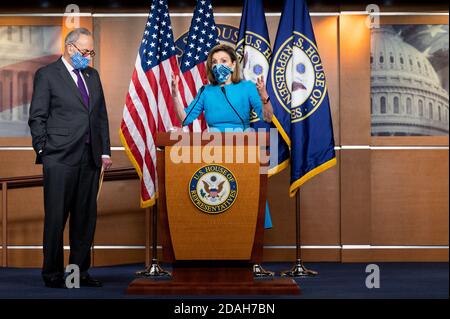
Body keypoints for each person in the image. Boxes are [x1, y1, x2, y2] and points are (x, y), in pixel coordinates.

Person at [28, 28, 112, 288]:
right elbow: (37, 116)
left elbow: (100, 116)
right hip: (59, 158)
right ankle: (52, 274)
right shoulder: (47, 74)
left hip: (89, 158)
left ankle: (79, 273)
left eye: (91, 52)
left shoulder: (92, 75)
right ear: (70, 48)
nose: (88, 57)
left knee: (85, 219)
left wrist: (105, 150)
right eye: (85, 52)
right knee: (56, 218)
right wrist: (44, 149)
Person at [171, 44, 274, 229]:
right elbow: (185, 119)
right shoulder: (206, 91)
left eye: (224, 61)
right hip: (213, 150)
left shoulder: (247, 87)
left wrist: (264, 96)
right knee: (219, 196)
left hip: (243, 147)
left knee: (246, 196)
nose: (219, 65)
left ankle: (249, 247)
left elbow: (267, 117)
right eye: (215, 62)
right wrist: (175, 95)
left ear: (234, 64)